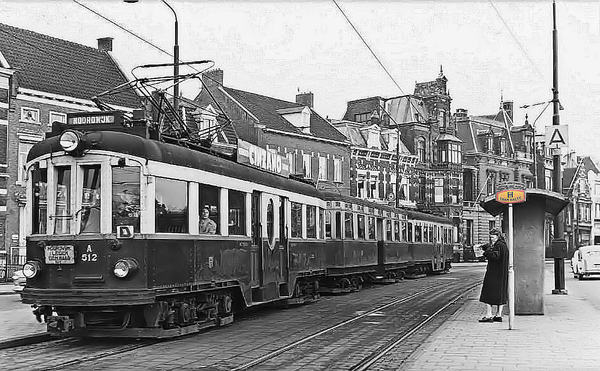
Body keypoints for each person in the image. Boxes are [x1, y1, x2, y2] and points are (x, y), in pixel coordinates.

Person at [478, 227, 509, 323]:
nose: (492, 239)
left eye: (493, 237)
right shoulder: (504, 245)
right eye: (491, 237)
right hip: (502, 273)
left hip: (494, 273)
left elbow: (495, 256)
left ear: (497, 236)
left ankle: (489, 315)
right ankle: (498, 315)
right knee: (501, 294)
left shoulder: (498, 245)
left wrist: (486, 251)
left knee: (488, 293)